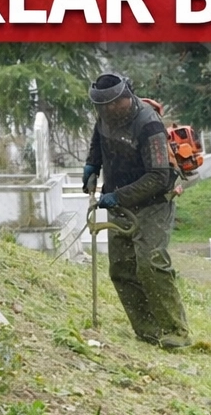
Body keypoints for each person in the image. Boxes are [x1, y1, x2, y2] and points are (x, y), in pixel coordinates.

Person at [82, 73, 191, 349]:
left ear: (126, 96)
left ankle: (176, 331)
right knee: (121, 268)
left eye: (113, 104)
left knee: (151, 264)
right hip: (118, 203)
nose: (108, 110)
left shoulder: (148, 124)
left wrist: (117, 196)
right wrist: (92, 166)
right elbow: (98, 142)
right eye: (102, 106)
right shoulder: (105, 117)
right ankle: (147, 330)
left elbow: (158, 176)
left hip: (153, 204)